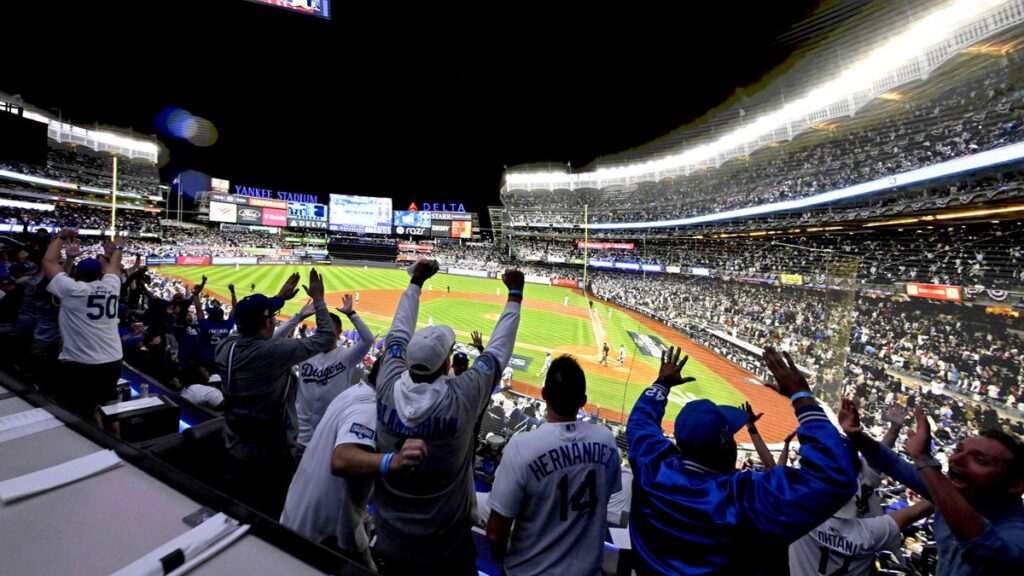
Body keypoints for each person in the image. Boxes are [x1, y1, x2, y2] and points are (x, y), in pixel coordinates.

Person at [627, 347, 857, 575]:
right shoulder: (746, 497)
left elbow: (641, 422)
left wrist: (662, 383)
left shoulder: (651, 466)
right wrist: (802, 396)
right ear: (727, 449)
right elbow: (834, 477)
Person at [372, 260, 523, 574]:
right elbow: (497, 352)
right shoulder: (461, 397)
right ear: (447, 364)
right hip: (446, 551)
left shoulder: (385, 384)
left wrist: (415, 282)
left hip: (389, 543)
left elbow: (397, 333)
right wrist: (515, 294)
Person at [841, 398, 1024, 574]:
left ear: (1015, 484)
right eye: (958, 451)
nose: (956, 460)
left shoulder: (1016, 530)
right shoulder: (952, 494)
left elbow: (989, 552)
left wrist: (924, 460)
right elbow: (892, 463)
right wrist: (856, 434)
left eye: (979, 460)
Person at [280, 359, 427, 569]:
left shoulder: (355, 392)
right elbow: (342, 459)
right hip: (321, 538)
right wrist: (393, 461)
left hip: (300, 518)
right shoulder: (369, 409)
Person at [215, 270, 336, 517]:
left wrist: (277, 301)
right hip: (270, 456)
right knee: (275, 513)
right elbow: (326, 338)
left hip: (234, 446)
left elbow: (249, 326)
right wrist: (319, 300)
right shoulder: (274, 353)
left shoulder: (223, 347)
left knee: (240, 508)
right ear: (268, 322)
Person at [486, 355, 621, 575]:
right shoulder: (606, 440)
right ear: (583, 400)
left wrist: (506, 561)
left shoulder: (522, 446)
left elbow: (494, 532)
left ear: (544, 394)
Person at [42, 229, 126, 428]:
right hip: (113, 361)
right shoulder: (112, 287)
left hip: (83, 364)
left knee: (79, 414)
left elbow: (49, 262)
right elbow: (114, 267)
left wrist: (61, 237)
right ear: (100, 274)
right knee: (105, 409)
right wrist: (118, 249)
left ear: (76, 275)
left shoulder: (72, 290)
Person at [277, 294, 374, 451]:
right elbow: (273, 342)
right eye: (322, 329)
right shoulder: (305, 351)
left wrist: (351, 314)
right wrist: (299, 316)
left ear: (339, 332)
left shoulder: (346, 356)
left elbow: (368, 339)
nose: (325, 334)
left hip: (331, 437)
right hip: (300, 436)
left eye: (330, 330)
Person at [196, 283, 237, 369]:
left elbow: (198, 309)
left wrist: (196, 294)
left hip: (205, 359)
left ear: (211, 316)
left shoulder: (205, 325)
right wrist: (233, 292)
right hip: (221, 359)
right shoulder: (227, 325)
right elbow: (235, 308)